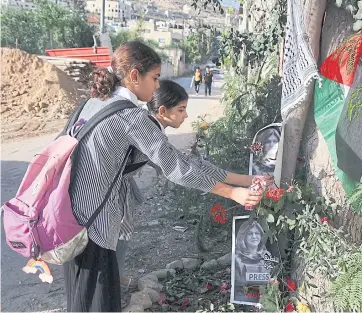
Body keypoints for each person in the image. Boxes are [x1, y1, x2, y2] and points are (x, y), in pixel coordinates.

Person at [63, 41, 263, 312]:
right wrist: (233, 192)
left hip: (69, 222)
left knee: (80, 299)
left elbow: (184, 162)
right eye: (154, 78)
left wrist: (243, 181)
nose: (157, 86)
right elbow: (176, 168)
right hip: (95, 227)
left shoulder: (91, 105)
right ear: (134, 76)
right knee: (98, 304)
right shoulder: (131, 117)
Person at [233, 220, 272, 303]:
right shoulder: (236, 257)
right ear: (243, 236)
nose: (254, 236)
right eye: (250, 233)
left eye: (257, 233)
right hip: (243, 299)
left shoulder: (268, 257)